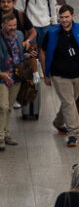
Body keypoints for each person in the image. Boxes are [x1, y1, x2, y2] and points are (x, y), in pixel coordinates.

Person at [37, 5, 79, 148]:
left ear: (73, 16)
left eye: (66, 17)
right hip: (60, 76)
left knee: (69, 102)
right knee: (69, 103)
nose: (64, 20)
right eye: (61, 17)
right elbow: (43, 52)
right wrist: (46, 73)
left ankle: (58, 122)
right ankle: (73, 134)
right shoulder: (52, 33)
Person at [0, 12, 30, 150]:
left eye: (15, 25)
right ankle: (0, 137)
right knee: (3, 107)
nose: (13, 28)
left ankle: (6, 134)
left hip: (16, 76)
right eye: (10, 26)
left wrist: (27, 55)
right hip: (2, 77)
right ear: (3, 26)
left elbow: (20, 54)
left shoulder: (19, 35)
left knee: (9, 108)